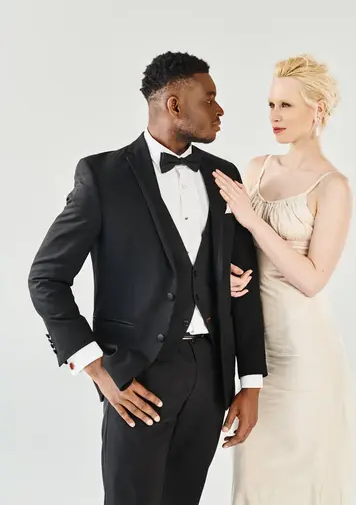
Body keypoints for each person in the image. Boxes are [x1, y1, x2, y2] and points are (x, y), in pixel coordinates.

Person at [28, 51, 267, 505]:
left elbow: (245, 282)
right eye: (210, 99)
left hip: (211, 376)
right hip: (137, 377)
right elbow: (46, 278)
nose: (220, 110)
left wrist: (250, 382)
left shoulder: (224, 175)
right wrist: (98, 370)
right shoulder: (103, 176)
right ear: (174, 105)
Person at [214, 54, 355, 504]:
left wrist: (254, 222)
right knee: (253, 483)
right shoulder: (256, 168)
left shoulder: (334, 187)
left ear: (317, 110)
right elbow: (236, 250)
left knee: (306, 477)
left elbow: (313, 279)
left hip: (304, 354)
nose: (274, 116)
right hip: (255, 351)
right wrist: (229, 278)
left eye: (286, 106)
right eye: (271, 104)